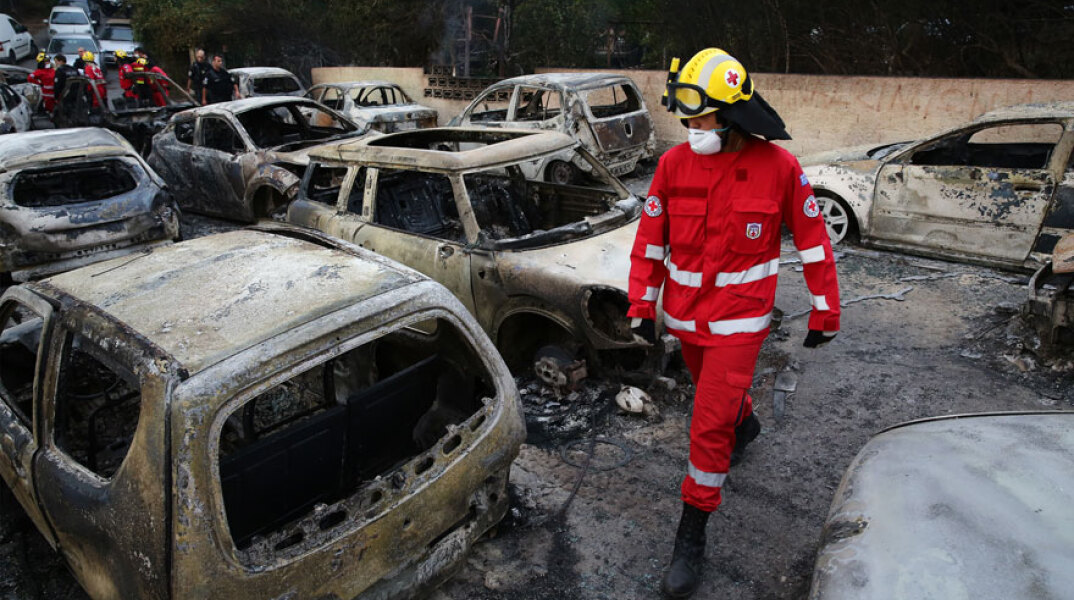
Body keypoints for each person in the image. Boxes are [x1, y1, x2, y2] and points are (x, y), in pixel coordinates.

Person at [626, 48, 840, 598]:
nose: (689, 126)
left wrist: (825, 310)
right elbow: (650, 242)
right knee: (715, 398)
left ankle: (691, 533)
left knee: (706, 424)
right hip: (686, 321)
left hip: (741, 325)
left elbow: (814, 244)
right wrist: (640, 306)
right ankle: (746, 424)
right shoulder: (674, 165)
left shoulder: (779, 168)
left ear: (729, 113)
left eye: (697, 115)